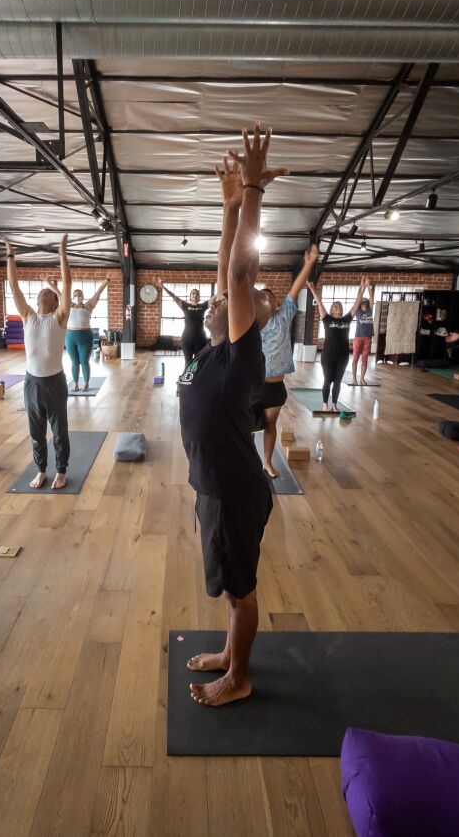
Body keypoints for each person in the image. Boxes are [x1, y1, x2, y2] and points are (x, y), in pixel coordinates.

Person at [179, 123, 283, 707]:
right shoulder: (214, 351)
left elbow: (240, 272)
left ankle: (238, 677)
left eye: (250, 297)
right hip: (214, 488)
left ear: (251, 316)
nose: (228, 294)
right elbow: (228, 270)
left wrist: (252, 190)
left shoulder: (241, 353)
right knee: (228, 585)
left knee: (241, 590)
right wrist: (227, 210)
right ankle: (229, 651)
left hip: (235, 491)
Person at [5, 234, 71, 489]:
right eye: (42, 291)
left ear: (54, 301)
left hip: (54, 382)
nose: (44, 291)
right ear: (37, 301)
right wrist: (10, 254)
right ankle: (41, 469)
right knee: (36, 432)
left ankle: (61, 471)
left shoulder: (59, 318)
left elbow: (67, 283)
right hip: (31, 382)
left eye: (49, 292)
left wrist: (62, 253)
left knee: (59, 431)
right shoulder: (28, 316)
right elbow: (14, 285)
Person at [255, 244, 318, 478]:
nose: (267, 299)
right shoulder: (252, 323)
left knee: (271, 425)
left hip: (275, 386)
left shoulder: (284, 316)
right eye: (262, 297)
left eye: (271, 297)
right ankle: (249, 463)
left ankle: (267, 463)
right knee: (250, 428)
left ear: (276, 303)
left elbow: (296, 288)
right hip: (254, 384)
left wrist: (309, 262)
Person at [307, 279, 370, 412]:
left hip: (343, 356)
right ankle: (325, 404)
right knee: (328, 380)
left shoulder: (346, 319)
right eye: (335, 306)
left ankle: (334, 404)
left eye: (339, 306)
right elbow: (319, 304)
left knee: (337, 381)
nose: (338, 307)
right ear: (331, 309)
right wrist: (312, 289)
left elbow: (355, 305)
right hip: (328, 356)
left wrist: (363, 289)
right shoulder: (327, 319)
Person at [57, 276, 109, 391]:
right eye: (75, 295)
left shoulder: (88, 305)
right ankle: (75, 384)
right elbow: (59, 293)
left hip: (85, 337)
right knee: (74, 362)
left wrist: (106, 281)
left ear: (83, 297)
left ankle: (86, 383)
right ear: (72, 297)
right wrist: (47, 281)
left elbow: (98, 292)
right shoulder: (68, 305)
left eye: (79, 295)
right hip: (70, 337)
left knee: (84, 361)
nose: (77, 297)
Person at [160, 282, 212, 367]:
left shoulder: (203, 306)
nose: (195, 295)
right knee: (188, 362)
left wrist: (225, 284)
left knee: (198, 363)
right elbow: (173, 296)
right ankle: (186, 379)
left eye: (197, 294)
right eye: (193, 293)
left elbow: (214, 297)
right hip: (187, 339)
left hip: (200, 339)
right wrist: (162, 286)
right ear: (190, 296)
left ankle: (197, 379)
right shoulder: (185, 306)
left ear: (199, 297)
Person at [350, 285, 376, 386]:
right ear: (360, 304)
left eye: (366, 301)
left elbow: (371, 298)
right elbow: (358, 298)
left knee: (365, 359)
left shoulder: (370, 310)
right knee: (355, 357)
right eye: (362, 301)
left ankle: (362, 379)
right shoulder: (358, 311)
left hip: (368, 338)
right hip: (358, 337)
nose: (364, 302)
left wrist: (369, 288)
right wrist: (362, 288)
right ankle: (354, 379)